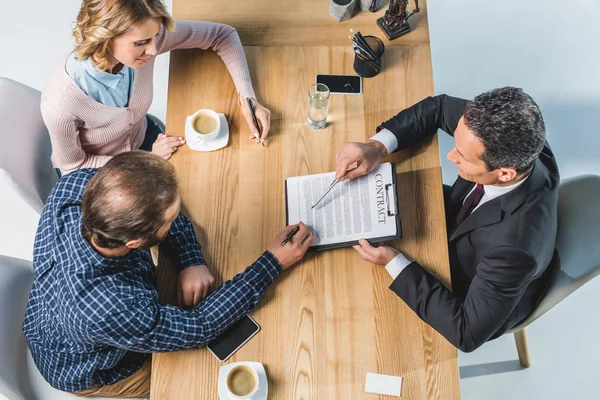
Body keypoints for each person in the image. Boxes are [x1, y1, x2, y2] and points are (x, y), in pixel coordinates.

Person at [22, 151, 313, 397]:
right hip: (90, 367)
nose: (176, 220)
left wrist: (191, 259)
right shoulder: (109, 308)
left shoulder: (76, 186)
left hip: (57, 317)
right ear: (135, 242)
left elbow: (161, 211)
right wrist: (273, 262)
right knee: (194, 383)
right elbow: (199, 326)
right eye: (170, 220)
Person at [335, 87, 559, 352]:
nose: (450, 156)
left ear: (505, 174)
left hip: (471, 286)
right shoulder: (517, 134)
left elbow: (465, 333)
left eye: (462, 157)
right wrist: (377, 147)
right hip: (462, 222)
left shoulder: (513, 252)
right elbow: (440, 107)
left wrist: (393, 261)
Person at [42, 0, 271, 176]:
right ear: (105, 38)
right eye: (141, 43)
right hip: (102, 172)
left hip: (147, 141)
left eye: (153, 38)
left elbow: (222, 35)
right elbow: (74, 167)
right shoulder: (61, 101)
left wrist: (248, 99)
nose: (153, 50)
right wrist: (145, 159)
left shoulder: (146, 39)